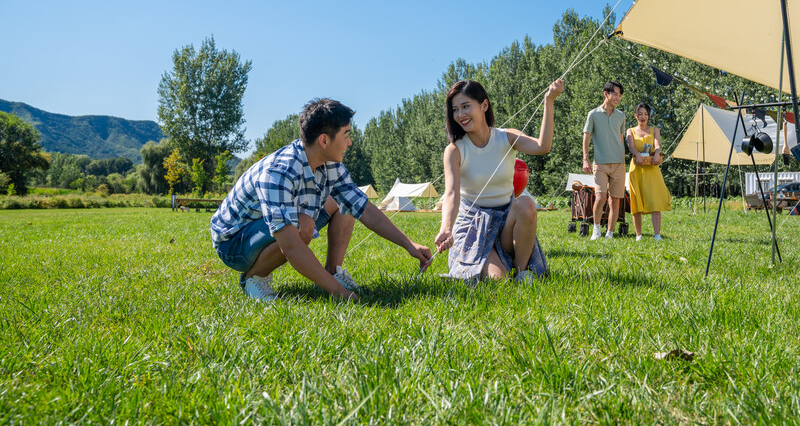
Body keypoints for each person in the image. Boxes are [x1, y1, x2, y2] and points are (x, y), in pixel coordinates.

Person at [210, 98, 433, 302]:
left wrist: (409, 245)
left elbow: (363, 208)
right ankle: (253, 278)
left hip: (269, 228)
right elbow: (291, 245)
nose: (350, 142)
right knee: (303, 225)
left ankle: (333, 271)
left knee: (344, 204)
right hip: (234, 243)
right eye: (346, 134)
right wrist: (339, 293)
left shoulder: (332, 166)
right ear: (324, 140)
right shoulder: (279, 172)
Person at [434, 78, 564, 282]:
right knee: (498, 280)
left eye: (466, 106)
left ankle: (521, 271)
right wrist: (446, 228)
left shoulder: (506, 137)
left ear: (484, 105)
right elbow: (451, 194)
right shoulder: (454, 150)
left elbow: (542, 146)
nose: (460, 115)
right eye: (455, 109)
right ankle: (492, 270)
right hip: (474, 227)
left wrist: (549, 101)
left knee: (526, 204)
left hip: (506, 225)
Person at [582, 80, 626, 240]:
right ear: (605, 94)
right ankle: (596, 229)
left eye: (620, 95)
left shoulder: (621, 116)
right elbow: (586, 137)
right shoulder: (593, 114)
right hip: (600, 163)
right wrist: (585, 160)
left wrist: (623, 160)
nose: (618, 97)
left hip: (619, 164)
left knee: (615, 201)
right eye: (615, 94)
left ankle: (610, 233)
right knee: (600, 197)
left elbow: (621, 139)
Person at [626, 103, 671, 240]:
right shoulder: (630, 131)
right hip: (637, 168)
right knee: (636, 200)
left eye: (645, 114)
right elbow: (631, 147)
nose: (643, 117)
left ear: (649, 116)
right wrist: (637, 154)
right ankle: (638, 235)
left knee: (655, 199)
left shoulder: (654, 130)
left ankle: (657, 234)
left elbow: (657, 145)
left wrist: (657, 153)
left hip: (652, 167)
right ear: (636, 115)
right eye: (640, 114)